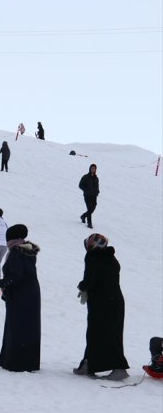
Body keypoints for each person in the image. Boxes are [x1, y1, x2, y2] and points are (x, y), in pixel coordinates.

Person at [73, 234, 130, 380]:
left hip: (101, 301)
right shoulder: (111, 257)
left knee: (101, 333)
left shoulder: (93, 257)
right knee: (108, 333)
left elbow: (91, 278)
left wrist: (82, 286)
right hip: (115, 300)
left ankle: (119, 367)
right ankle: (88, 363)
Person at [0, 224, 41, 372]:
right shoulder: (27, 252)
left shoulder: (16, 253)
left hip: (21, 295)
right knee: (28, 328)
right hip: (30, 294)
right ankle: (27, 360)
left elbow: (16, 276)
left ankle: (16, 362)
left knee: (17, 328)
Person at [79, 163, 100, 229]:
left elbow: (97, 186)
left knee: (92, 209)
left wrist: (97, 191)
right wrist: (86, 190)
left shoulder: (96, 178)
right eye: (92, 168)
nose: (93, 169)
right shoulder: (85, 177)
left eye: (94, 168)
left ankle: (83, 216)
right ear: (90, 169)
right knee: (89, 209)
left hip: (94, 196)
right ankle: (89, 223)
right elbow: (80, 185)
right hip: (87, 195)